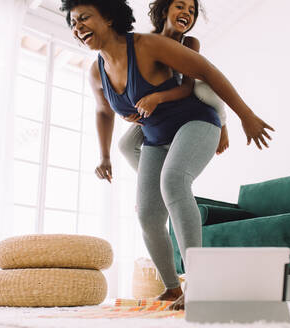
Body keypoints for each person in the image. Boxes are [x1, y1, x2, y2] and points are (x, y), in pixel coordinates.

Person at [60, 0, 274, 310]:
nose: (77, 27)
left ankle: (199, 287)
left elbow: (207, 72)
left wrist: (245, 116)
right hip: (155, 139)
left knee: (173, 183)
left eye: (84, 18)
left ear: (107, 17)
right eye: (72, 23)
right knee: (147, 214)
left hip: (196, 123)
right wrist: (104, 156)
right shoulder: (97, 72)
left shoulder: (148, 45)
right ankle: (173, 289)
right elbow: (103, 111)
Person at [118, 0, 229, 172]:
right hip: (157, 107)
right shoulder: (146, 42)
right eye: (180, 6)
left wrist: (157, 98)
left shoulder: (190, 43)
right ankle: (155, 188)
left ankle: (222, 124)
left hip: (180, 97)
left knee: (204, 87)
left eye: (191, 11)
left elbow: (186, 87)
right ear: (164, 12)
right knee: (125, 145)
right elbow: (131, 82)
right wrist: (125, 111)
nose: (187, 13)